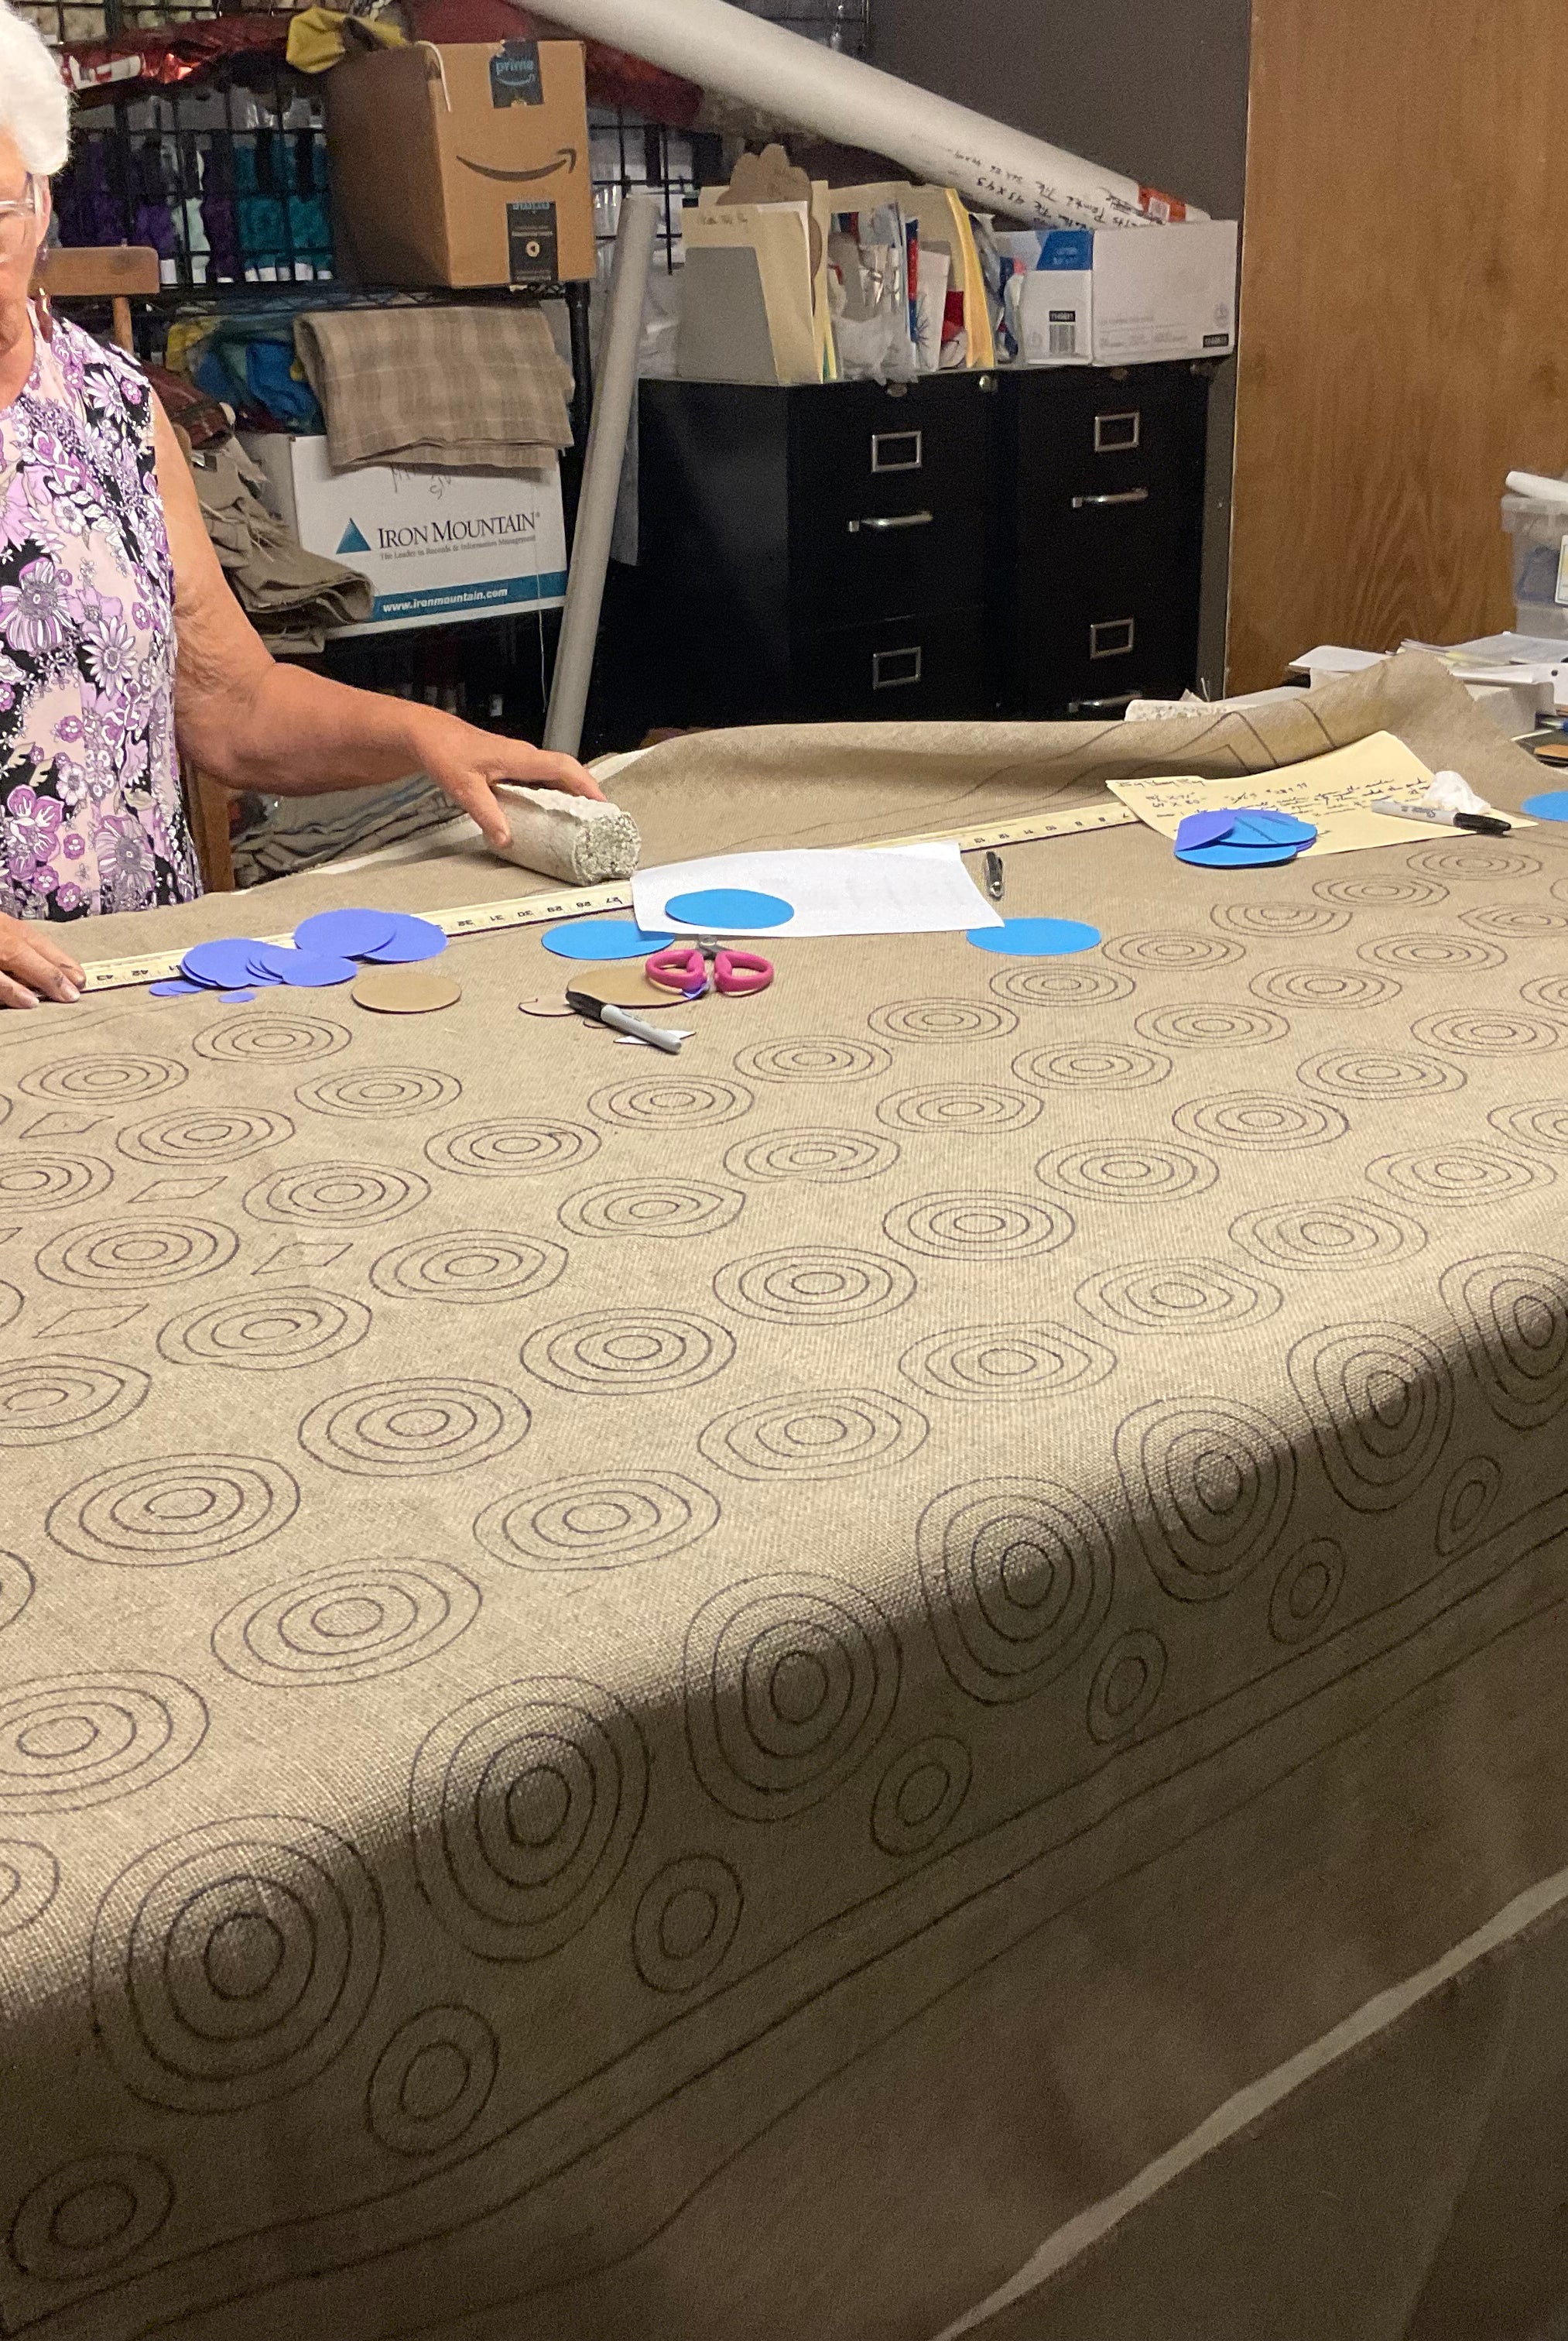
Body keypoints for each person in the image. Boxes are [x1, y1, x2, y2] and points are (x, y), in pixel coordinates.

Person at [0, 0, 601, 1009]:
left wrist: (424, 738)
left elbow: (231, 705)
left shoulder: (109, 410)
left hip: (132, 974)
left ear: (43, 197)